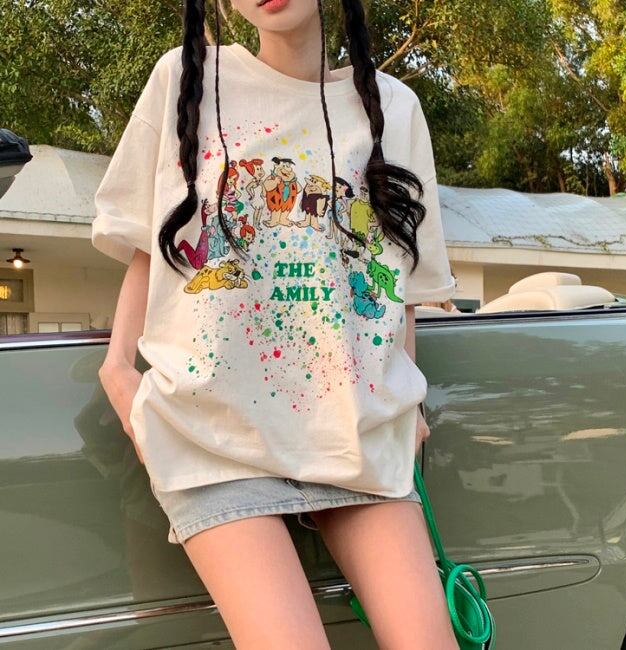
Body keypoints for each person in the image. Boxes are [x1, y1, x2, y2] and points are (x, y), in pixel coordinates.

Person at [91, 0, 459, 648]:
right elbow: (150, 240)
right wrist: (119, 372)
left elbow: (400, 281)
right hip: (215, 440)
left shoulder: (393, 109)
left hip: (355, 436)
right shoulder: (185, 80)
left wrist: (408, 398)